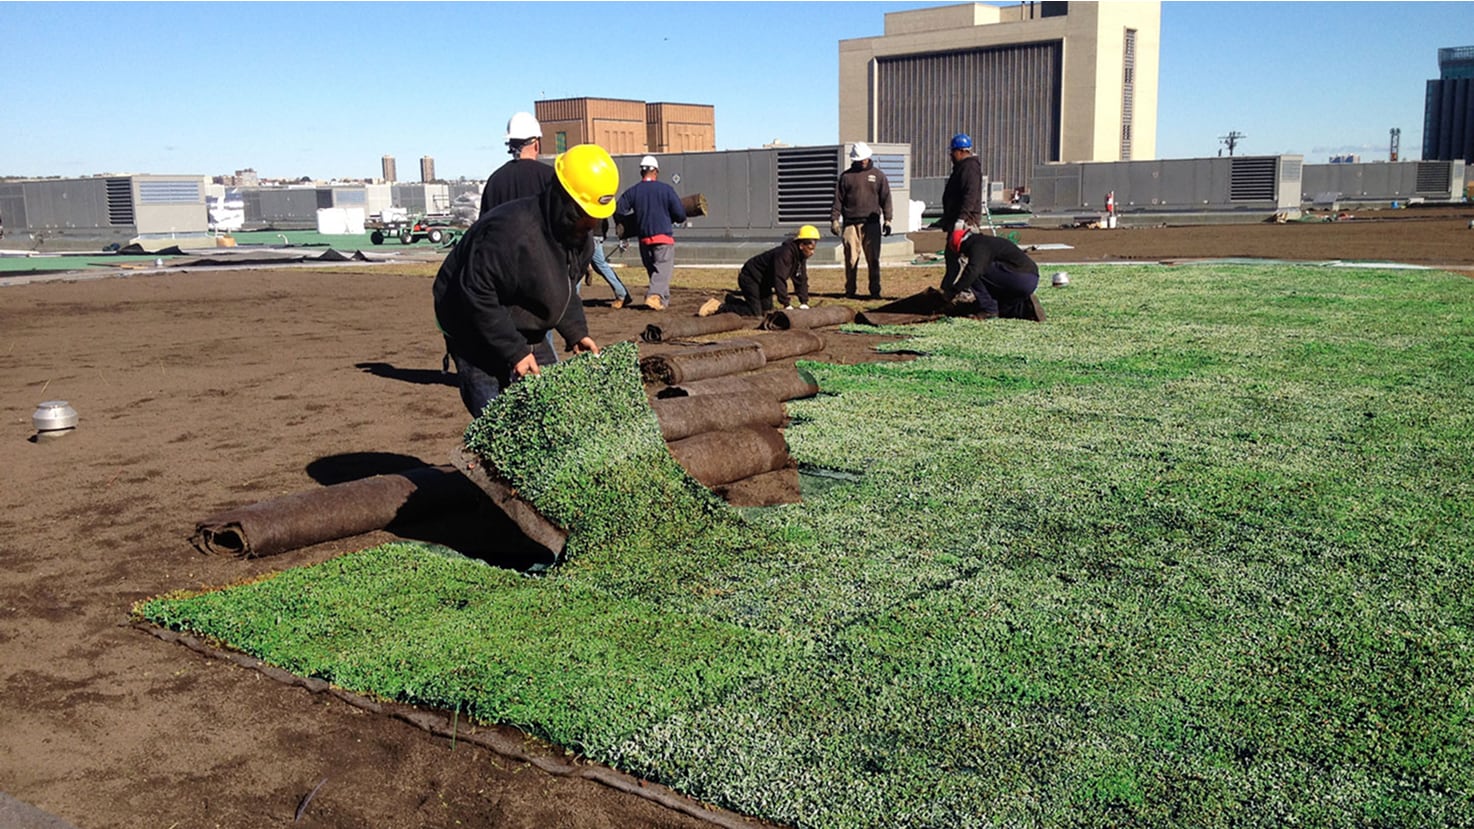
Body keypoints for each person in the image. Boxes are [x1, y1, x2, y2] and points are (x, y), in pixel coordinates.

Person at [433, 143, 617, 417]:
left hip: (523, 321)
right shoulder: (512, 234)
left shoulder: (579, 239)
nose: (589, 225)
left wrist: (577, 332)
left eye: (595, 218)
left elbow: (564, 288)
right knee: (498, 425)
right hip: (470, 323)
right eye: (583, 215)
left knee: (551, 415)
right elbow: (476, 293)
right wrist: (515, 351)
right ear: (562, 198)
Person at [614, 155, 686, 311]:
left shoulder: (633, 192)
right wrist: (669, 215)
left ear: (641, 172)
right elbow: (680, 215)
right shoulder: (666, 190)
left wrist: (633, 221)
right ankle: (654, 296)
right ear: (656, 171)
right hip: (663, 237)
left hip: (644, 239)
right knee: (662, 271)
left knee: (654, 271)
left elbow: (619, 210)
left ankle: (662, 302)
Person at [830, 141, 893, 299]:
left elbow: (886, 198)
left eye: (864, 158)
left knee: (874, 259)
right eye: (860, 159)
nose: (863, 161)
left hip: (871, 224)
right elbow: (838, 200)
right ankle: (850, 290)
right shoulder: (846, 177)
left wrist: (888, 219)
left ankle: (875, 291)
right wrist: (835, 219)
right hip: (850, 224)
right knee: (850, 259)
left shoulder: (878, 176)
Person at [713, 225, 819, 317]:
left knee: (767, 310)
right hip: (750, 277)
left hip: (765, 282)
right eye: (811, 248)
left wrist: (804, 302)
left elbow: (801, 279)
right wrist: (786, 304)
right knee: (755, 312)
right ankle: (721, 307)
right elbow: (779, 278)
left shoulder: (800, 257)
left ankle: (732, 300)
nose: (813, 252)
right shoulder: (785, 254)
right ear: (801, 246)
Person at [941, 231, 1046, 322]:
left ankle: (988, 310)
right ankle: (1026, 308)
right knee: (1002, 307)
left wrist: (954, 291)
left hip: (1019, 278)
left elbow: (973, 271)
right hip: (1030, 278)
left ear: (963, 245)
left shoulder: (978, 246)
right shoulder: (988, 242)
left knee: (974, 273)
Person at [932, 132, 984, 294]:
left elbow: (970, 195)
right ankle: (948, 291)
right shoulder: (961, 168)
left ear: (961, 151)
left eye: (952, 152)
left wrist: (961, 219)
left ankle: (964, 292)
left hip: (965, 223)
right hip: (957, 221)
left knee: (963, 260)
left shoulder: (969, 168)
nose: (950, 156)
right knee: (952, 259)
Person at [480, 111, 555, 216]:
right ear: (537, 144)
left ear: (510, 145)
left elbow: (484, 224)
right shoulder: (550, 177)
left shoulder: (495, 180)